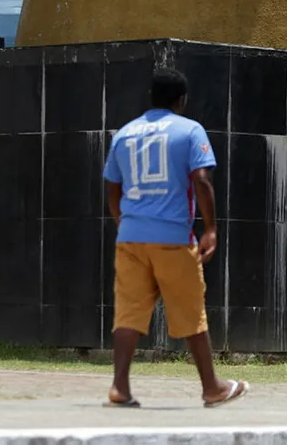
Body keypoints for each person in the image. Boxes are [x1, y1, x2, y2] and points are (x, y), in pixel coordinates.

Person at [102, 69, 249, 409]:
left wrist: (123, 222)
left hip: (131, 239)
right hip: (172, 238)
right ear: (181, 100)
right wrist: (210, 228)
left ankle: (120, 387)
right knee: (191, 312)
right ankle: (212, 387)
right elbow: (201, 179)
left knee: (128, 313)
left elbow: (112, 186)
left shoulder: (124, 134)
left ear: (150, 98)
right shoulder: (189, 130)